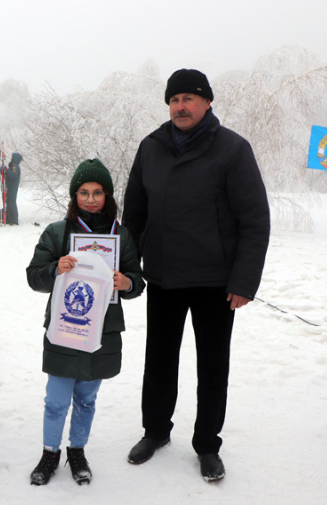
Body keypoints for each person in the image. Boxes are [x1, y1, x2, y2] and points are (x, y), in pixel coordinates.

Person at [122, 68, 271, 482]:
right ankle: (155, 432)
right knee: (159, 360)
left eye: (189, 98)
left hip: (216, 283)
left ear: (207, 103)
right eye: (174, 99)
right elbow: (134, 213)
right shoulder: (151, 147)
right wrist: (128, 268)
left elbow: (255, 220)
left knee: (212, 366)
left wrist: (243, 281)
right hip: (165, 276)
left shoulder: (232, 150)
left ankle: (207, 444)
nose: (180, 106)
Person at [26, 159, 145, 486]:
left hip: (103, 332)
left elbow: (138, 279)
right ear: (73, 195)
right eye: (83, 192)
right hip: (66, 328)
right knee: (56, 399)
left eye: (97, 192)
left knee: (87, 399)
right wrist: (54, 269)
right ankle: (50, 452)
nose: (91, 199)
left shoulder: (119, 235)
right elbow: (33, 278)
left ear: (107, 196)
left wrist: (128, 283)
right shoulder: (58, 232)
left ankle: (76, 450)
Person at [4, 152, 22, 225]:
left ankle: (14, 219)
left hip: (13, 187)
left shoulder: (15, 167)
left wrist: (6, 170)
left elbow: (13, 176)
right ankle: (10, 218)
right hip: (10, 186)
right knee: (9, 201)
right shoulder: (13, 166)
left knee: (12, 202)